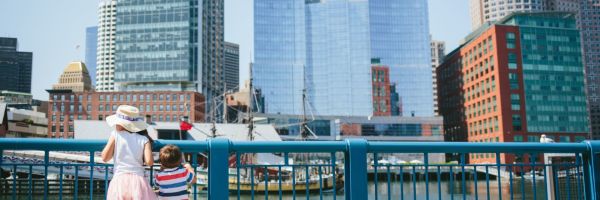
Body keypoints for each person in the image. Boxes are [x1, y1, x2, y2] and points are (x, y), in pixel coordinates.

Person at [101, 105, 157, 200]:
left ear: (122, 124)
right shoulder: (144, 139)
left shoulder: (115, 135)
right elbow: (149, 162)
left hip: (119, 180)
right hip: (138, 181)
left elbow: (105, 158)